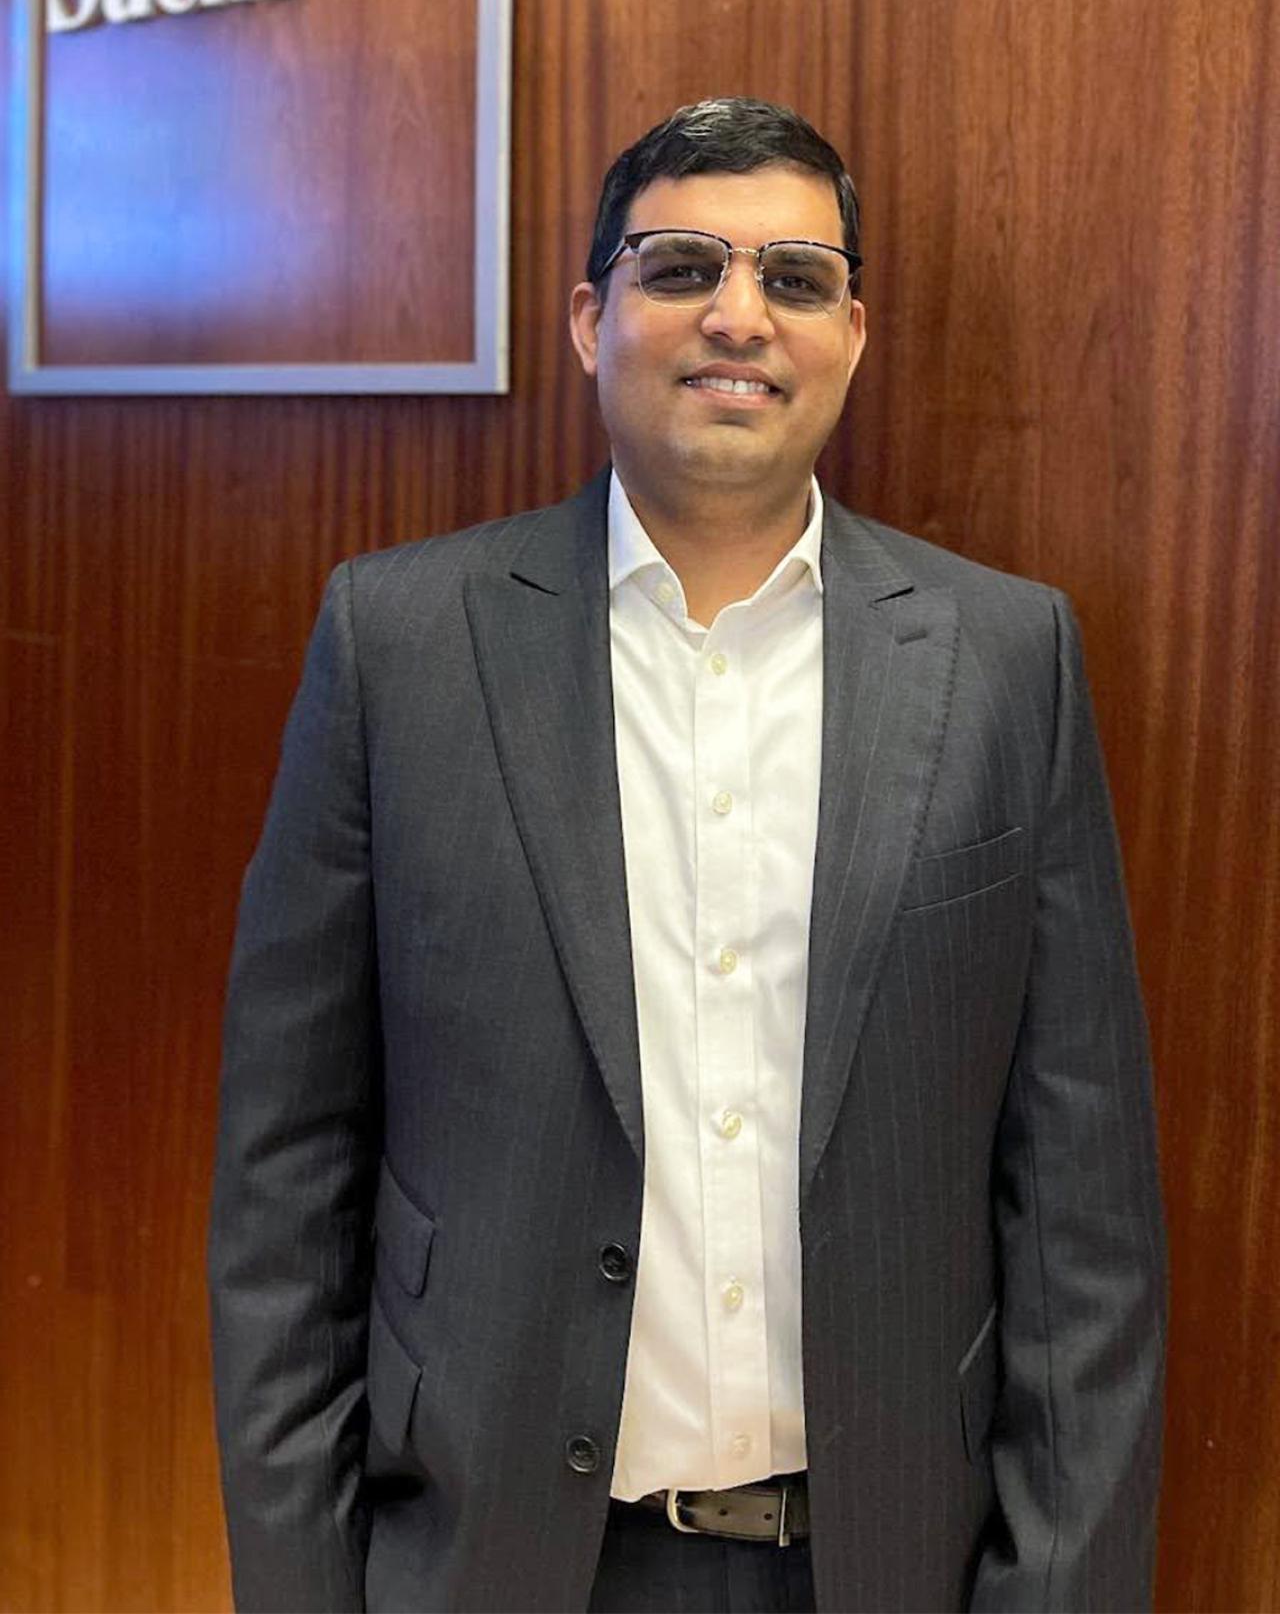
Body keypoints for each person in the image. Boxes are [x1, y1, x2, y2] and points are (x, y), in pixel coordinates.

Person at [208, 97, 1167, 1613]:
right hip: (493, 1556)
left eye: (795, 277)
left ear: (853, 331)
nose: (740, 315)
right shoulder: (398, 643)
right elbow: (286, 1181)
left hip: (889, 1560)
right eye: (679, 267)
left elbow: (1083, 1215)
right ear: (592, 320)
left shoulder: (1004, 660)